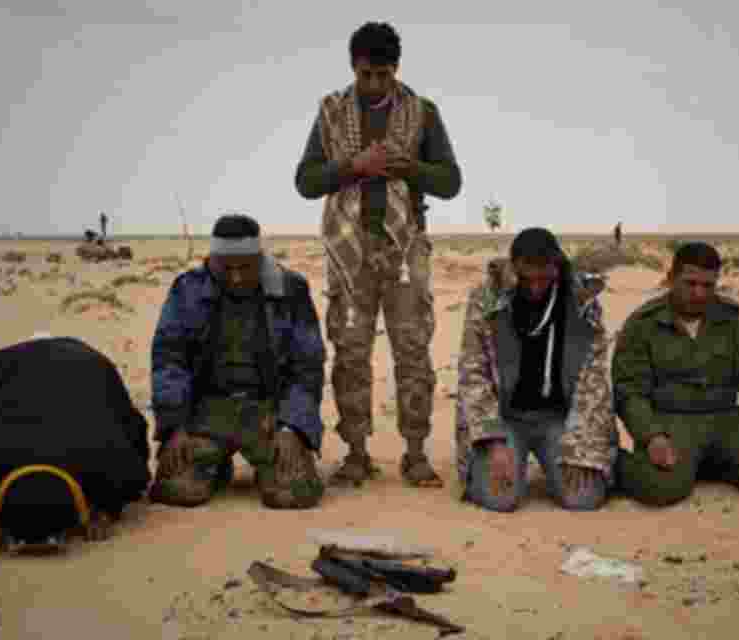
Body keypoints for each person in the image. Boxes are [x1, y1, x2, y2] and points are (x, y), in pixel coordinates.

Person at [294, 21, 462, 488]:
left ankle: (415, 452)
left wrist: (410, 168)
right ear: (353, 68)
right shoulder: (330, 112)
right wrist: (353, 167)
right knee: (349, 352)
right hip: (349, 253)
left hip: (405, 250)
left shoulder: (422, 112)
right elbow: (305, 181)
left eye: (382, 75)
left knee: (412, 352)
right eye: (365, 74)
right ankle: (355, 452)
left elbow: (450, 181)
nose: (373, 85)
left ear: (396, 70)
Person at [148, 214, 327, 509]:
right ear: (211, 260)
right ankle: (212, 465)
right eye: (225, 268)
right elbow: (169, 360)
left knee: (293, 495)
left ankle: (268, 467)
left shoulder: (291, 289)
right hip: (205, 414)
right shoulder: (187, 289)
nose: (236, 277)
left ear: (260, 257)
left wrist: (294, 428)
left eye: (246, 267)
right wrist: (173, 427)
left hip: (270, 415)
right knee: (177, 492)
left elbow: (307, 367)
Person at [611, 242, 739, 506]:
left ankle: (705, 464)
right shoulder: (643, 324)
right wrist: (652, 436)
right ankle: (619, 462)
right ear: (671, 278)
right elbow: (629, 391)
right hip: (671, 422)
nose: (699, 293)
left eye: (708, 285)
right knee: (660, 488)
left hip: (725, 418)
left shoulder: (731, 318)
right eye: (690, 283)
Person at [0, 335, 151, 557]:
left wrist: (107, 507)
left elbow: (136, 460)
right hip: (9, 368)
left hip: (80, 363)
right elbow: (137, 462)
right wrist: (108, 508)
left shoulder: (111, 462)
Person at [456, 227, 618, 512]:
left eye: (544, 278)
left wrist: (583, 449)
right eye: (525, 278)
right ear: (514, 267)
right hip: (505, 419)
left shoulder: (582, 303)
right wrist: (492, 440)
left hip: (560, 419)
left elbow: (593, 382)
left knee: (584, 498)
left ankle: (555, 462)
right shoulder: (486, 300)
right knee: (500, 499)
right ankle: (503, 460)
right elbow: (473, 375)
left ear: (557, 266)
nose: (534, 287)